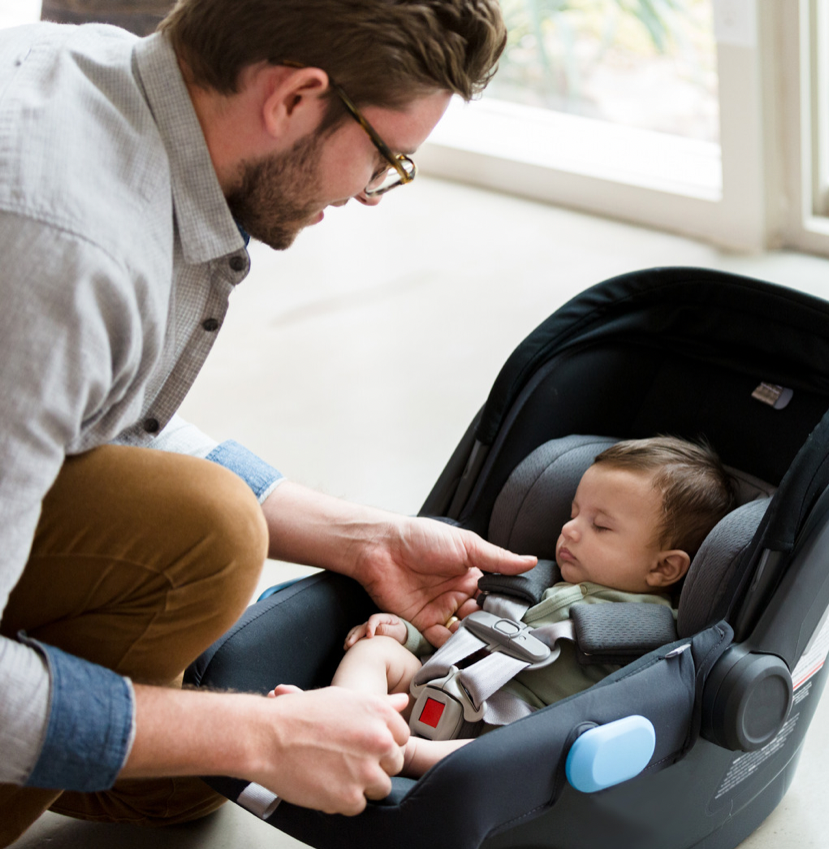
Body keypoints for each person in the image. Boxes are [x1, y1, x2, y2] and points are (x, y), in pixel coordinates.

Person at [0, 0, 532, 843]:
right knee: (209, 542)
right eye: (385, 157)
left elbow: (96, 409)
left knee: (185, 770)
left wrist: (365, 539)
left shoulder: (93, 77)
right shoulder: (59, 255)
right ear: (292, 98)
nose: (372, 194)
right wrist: (265, 733)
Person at [303, 437, 738, 777]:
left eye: (600, 525)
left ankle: (407, 755)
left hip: (513, 729)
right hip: (443, 681)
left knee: (510, 754)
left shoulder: (648, 634)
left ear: (664, 568)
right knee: (375, 651)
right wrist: (405, 633)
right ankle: (347, 717)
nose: (570, 529)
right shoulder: (533, 582)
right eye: (574, 512)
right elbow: (455, 634)